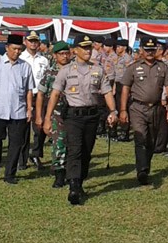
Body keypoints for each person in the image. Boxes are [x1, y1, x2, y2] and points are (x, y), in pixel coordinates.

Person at [44, 34, 118, 205]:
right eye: (84, 48)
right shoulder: (66, 70)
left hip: (92, 116)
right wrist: (47, 117)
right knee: (75, 150)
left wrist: (113, 111)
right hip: (73, 117)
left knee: (86, 151)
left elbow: (106, 92)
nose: (87, 51)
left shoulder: (98, 69)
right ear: (75, 50)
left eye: (89, 47)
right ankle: (74, 187)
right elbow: (55, 94)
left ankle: (80, 180)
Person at [119, 37, 168, 185]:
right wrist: (123, 110)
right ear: (141, 50)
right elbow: (125, 88)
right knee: (140, 137)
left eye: (152, 50)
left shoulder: (162, 67)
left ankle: (146, 166)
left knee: (151, 140)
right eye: (147, 50)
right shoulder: (133, 67)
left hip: (156, 108)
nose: (150, 53)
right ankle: (141, 169)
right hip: (138, 107)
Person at [0, 34, 34, 184]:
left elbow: (29, 90)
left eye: (19, 49)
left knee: (16, 143)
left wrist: (29, 109)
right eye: (14, 49)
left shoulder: (25, 66)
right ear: (7, 48)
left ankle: (9, 174)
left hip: (18, 111)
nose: (17, 52)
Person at [35, 41, 71, 188]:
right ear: (55, 56)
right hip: (56, 112)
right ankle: (59, 173)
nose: (64, 56)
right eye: (61, 54)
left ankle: (72, 171)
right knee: (59, 143)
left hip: (73, 112)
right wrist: (40, 116)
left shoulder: (74, 71)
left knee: (73, 144)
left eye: (66, 53)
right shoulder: (50, 73)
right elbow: (41, 95)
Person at [20, 31, 49, 170]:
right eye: (30, 40)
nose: (33, 43)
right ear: (25, 41)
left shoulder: (44, 60)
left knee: (40, 126)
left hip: (39, 96)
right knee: (22, 128)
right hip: (23, 96)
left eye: (35, 41)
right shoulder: (20, 57)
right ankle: (22, 158)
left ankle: (36, 153)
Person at [113, 39, 134, 142]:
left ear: (124, 48)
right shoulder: (118, 58)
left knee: (124, 108)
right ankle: (120, 131)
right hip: (118, 85)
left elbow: (130, 74)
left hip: (125, 86)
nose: (117, 49)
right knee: (118, 107)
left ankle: (125, 132)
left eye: (119, 47)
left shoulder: (127, 59)